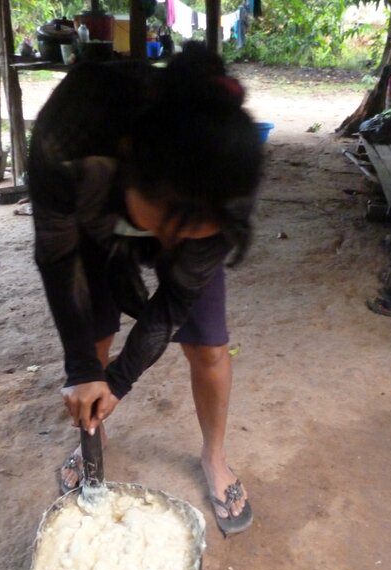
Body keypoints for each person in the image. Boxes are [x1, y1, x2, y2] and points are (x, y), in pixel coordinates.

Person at [28, 43, 263, 535]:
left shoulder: (223, 179)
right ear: (132, 161)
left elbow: (174, 303)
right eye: (170, 226)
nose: (172, 246)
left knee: (210, 346)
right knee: (91, 341)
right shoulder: (68, 142)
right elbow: (57, 258)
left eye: (193, 234)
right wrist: (85, 369)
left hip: (158, 205)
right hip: (92, 224)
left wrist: (120, 379)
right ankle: (95, 435)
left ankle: (215, 457)